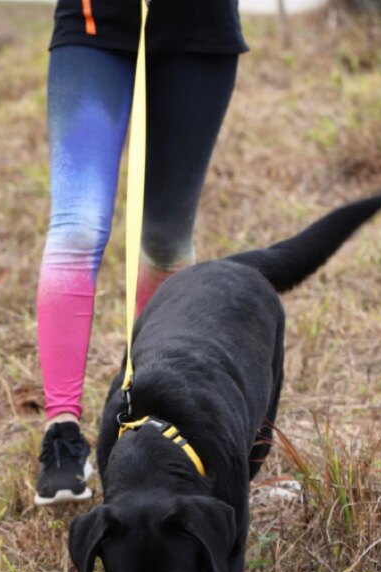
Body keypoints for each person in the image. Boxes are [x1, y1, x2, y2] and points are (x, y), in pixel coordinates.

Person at [34, 0, 249, 505]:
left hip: (198, 33)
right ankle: (61, 434)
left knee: (166, 242)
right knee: (78, 228)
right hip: (95, 28)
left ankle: (155, 411)